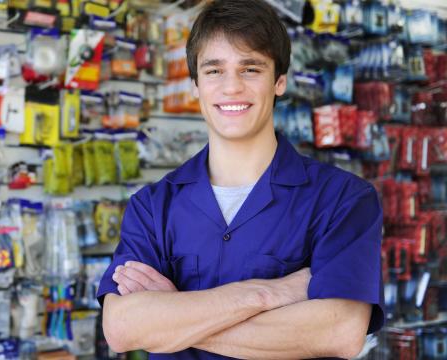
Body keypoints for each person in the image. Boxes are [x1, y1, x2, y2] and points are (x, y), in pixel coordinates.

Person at [96, 0, 384, 359]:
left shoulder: (343, 200)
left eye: (250, 69)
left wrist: (173, 315)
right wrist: (266, 295)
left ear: (279, 81)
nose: (231, 87)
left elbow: (339, 331)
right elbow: (123, 328)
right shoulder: (153, 206)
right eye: (214, 71)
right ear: (195, 85)